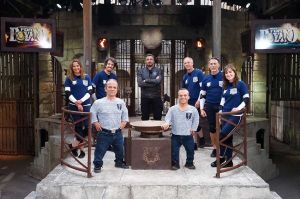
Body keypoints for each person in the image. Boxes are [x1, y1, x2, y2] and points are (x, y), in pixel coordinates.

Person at [211, 64, 249, 167]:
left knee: (222, 135)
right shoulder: (226, 86)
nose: (228, 74)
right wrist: (220, 114)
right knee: (228, 138)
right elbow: (222, 101)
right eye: (226, 73)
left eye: (230, 72)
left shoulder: (240, 84)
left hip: (235, 116)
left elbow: (246, 98)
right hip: (224, 115)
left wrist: (238, 108)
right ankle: (229, 161)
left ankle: (221, 158)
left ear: (235, 72)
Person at [90, 79, 129, 173]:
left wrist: (124, 122)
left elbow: (125, 113)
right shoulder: (98, 102)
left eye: (114, 87)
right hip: (104, 132)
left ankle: (119, 162)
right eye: (110, 87)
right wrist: (95, 122)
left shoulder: (120, 102)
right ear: (105, 89)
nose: (112, 89)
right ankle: (97, 165)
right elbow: (92, 112)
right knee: (100, 150)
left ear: (117, 89)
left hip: (117, 132)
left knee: (120, 149)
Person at [161, 88, 199, 170]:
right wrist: (166, 123)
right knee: (174, 151)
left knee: (190, 150)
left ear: (188, 97)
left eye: (185, 95)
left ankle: (189, 163)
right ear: (178, 97)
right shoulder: (172, 109)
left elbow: (196, 120)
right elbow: (168, 118)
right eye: (181, 95)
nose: (183, 97)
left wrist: (193, 128)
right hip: (175, 135)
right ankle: (175, 164)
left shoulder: (193, 109)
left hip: (188, 135)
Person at [64, 59, 92, 158]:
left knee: (87, 127)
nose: (76, 68)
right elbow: (68, 93)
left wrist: (81, 101)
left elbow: (90, 91)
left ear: (80, 66)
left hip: (86, 105)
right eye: (74, 66)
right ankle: (82, 150)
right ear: (71, 68)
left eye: (78, 66)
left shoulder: (86, 77)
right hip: (74, 106)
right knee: (78, 126)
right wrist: (76, 102)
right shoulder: (69, 78)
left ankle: (73, 146)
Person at [196, 57, 223, 158]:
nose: (213, 65)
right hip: (210, 106)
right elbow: (202, 94)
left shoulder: (224, 76)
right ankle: (215, 148)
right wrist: (202, 108)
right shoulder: (206, 79)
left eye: (215, 63)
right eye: (211, 64)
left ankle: (223, 148)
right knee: (212, 128)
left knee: (222, 128)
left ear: (218, 65)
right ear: (209, 66)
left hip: (222, 107)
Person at [182, 57, 205, 150]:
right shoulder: (185, 77)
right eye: (185, 63)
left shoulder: (199, 73)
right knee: (190, 123)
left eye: (189, 62)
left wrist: (199, 100)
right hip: (189, 103)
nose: (187, 64)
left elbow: (203, 88)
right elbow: (183, 91)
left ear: (192, 63)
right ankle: (194, 142)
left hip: (197, 102)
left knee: (195, 122)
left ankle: (201, 139)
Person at [137, 54, 163, 120]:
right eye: (147, 59)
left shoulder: (158, 70)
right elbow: (140, 83)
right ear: (145, 61)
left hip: (156, 97)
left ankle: (157, 130)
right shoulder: (141, 71)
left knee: (158, 117)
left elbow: (158, 81)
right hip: (145, 97)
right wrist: (154, 82)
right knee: (144, 118)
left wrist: (146, 80)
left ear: (154, 61)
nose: (149, 61)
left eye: (151, 59)